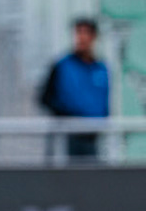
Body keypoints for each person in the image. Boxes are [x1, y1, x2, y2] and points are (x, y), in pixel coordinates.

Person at [39, 19, 109, 160]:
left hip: (92, 137)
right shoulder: (62, 65)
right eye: (78, 33)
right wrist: (67, 115)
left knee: (92, 176)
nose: (81, 38)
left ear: (94, 37)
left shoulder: (101, 69)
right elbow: (45, 98)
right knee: (67, 177)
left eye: (86, 33)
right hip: (69, 134)